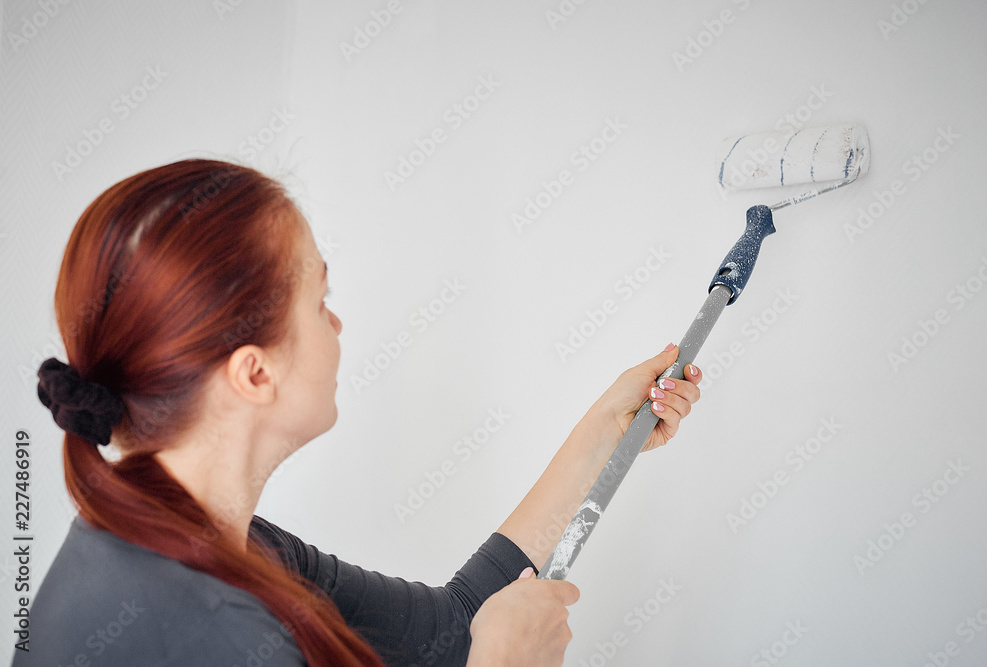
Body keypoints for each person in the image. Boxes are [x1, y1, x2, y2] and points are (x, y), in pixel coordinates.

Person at [17, 159, 701, 666]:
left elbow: (450, 630)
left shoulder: (211, 541)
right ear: (255, 373)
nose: (338, 324)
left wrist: (606, 434)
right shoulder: (225, 633)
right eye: (320, 301)